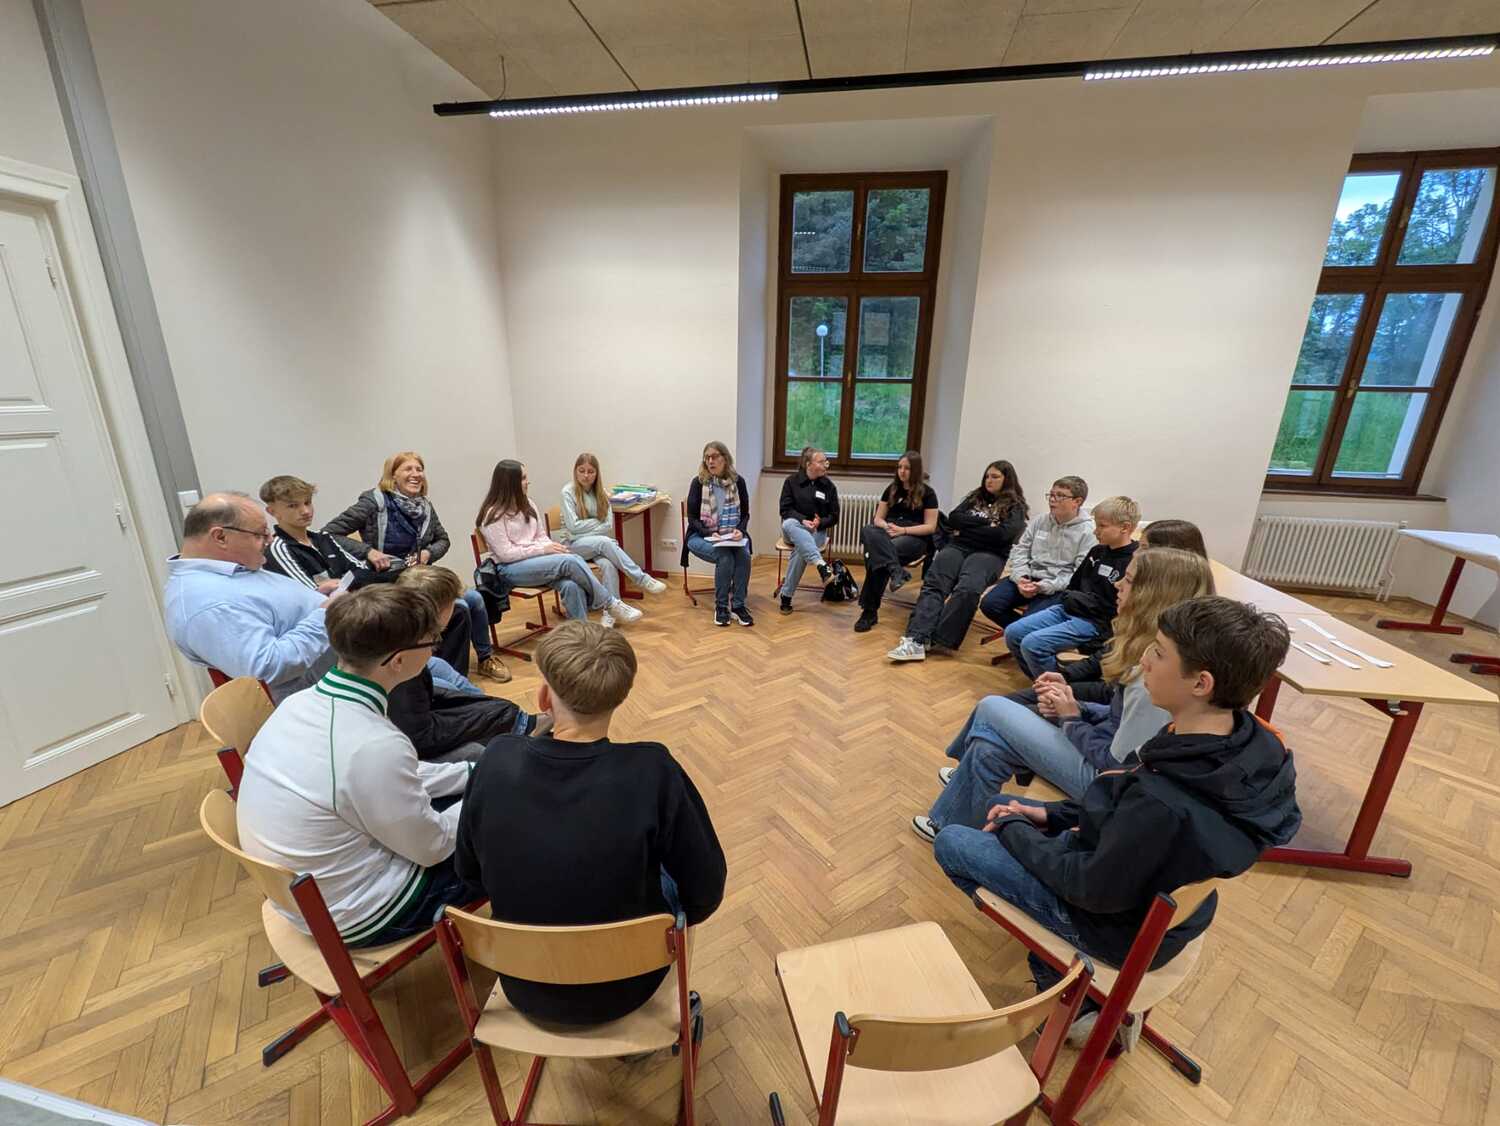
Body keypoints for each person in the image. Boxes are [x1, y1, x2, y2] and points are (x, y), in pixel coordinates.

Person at [931, 596, 1299, 1031]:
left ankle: (1075, 998)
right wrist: (1053, 816)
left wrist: (1014, 828)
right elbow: (1122, 796)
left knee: (953, 841)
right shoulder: (1248, 740)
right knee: (1005, 809)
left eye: (1158, 652)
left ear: (1201, 683)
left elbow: (1087, 887)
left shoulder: (1163, 800)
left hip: (1111, 926)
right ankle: (1060, 966)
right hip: (1156, 903)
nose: (1144, 660)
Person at [455, 620, 727, 1025]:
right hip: (632, 986)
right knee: (668, 871)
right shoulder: (653, 770)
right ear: (622, 695)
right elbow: (705, 891)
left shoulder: (496, 758)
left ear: (544, 697)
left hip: (523, 984)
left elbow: (469, 874)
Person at [913, 547, 1215, 841]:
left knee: (992, 707)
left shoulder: (1154, 674)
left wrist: (1071, 719)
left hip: (1103, 783)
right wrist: (1077, 708)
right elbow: (1120, 717)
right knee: (990, 746)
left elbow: (1115, 766)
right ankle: (952, 823)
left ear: (1153, 594)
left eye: (1129, 579)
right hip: (1101, 752)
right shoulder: (1155, 654)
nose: (1117, 584)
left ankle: (960, 776)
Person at [236, 586, 480, 947]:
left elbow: (393, 779)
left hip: (309, 895)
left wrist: (471, 773)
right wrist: (487, 794)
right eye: (432, 641)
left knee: (471, 798)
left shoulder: (300, 704)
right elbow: (432, 847)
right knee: (508, 829)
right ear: (398, 661)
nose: (434, 650)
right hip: (364, 914)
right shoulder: (374, 744)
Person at [325, 451, 510, 683]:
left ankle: (485, 658)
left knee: (475, 599)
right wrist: (368, 551)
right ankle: (448, 677)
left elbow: (443, 539)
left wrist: (428, 553)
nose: (415, 474)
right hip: (389, 582)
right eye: (408, 469)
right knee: (459, 607)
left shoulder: (424, 506)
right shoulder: (374, 502)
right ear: (393, 475)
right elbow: (329, 533)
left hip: (418, 577)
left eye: (419, 469)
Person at [1006, 518, 1212, 700]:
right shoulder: (1145, 610)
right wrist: (1066, 678)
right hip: (1099, 681)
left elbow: (1118, 698)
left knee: (1030, 650)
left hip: (1103, 698)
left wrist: (1071, 709)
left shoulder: (1175, 631)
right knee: (1015, 633)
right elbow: (1112, 651)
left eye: (1144, 548)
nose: (1136, 552)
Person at [164, 492, 335, 702]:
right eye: (260, 534)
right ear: (220, 537)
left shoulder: (229, 571)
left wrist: (315, 599)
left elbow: (270, 613)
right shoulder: (208, 603)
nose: (270, 540)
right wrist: (325, 615)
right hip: (319, 698)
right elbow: (266, 668)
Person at [388, 566, 543, 763]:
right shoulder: (408, 657)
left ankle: (519, 723)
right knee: (480, 741)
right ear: (436, 610)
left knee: (455, 681)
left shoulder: (408, 634)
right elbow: (421, 736)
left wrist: (491, 711)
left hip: (413, 716)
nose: (456, 605)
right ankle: (519, 730)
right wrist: (492, 717)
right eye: (452, 602)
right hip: (410, 743)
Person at [887, 460, 1027, 662]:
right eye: (987, 476)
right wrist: (988, 523)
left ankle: (937, 638)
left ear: (1007, 480)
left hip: (990, 554)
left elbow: (1003, 535)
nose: (989, 480)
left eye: (995, 477)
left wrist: (968, 529)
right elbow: (954, 518)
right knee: (934, 584)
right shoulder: (975, 497)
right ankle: (916, 639)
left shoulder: (1016, 507)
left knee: (968, 589)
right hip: (958, 547)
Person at [477, 459, 642, 627]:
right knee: (569, 561)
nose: (528, 482)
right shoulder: (492, 515)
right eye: (523, 478)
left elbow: (541, 536)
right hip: (509, 569)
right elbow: (506, 554)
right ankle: (610, 603)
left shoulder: (528, 503)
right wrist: (543, 550)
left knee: (571, 585)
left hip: (535, 561)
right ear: (510, 483)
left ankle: (581, 634)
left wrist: (553, 549)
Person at [1002, 496, 1140, 679]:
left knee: (1033, 644)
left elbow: (1119, 610)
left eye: (1102, 526)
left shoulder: (1135, 560)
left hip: (1094, 622)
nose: (1095, 531)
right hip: (1070, 608)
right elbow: (1074, 583)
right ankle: (1042, 681)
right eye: (1096, 525)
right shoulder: (1097, 551)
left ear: (1125, 527)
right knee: (1013, 633)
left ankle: (1061, 687)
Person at [978, 476, 1096, 630]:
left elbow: (1078, 574)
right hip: (1028, 577)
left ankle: (1026, 633)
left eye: (1060, 496)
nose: (1052, 500)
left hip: (1058, 585)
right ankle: (1025, 633)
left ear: (1077, 501)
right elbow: (1021, 550)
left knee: (1029, 622)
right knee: (990, 604)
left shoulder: (1088, 531)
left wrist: (1044, 586)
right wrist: (1021, 577)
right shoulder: (1040, 520)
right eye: (1051, 494)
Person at [557, 452, 668, 609]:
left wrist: (582, 528)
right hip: (570, 545)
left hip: (592, 544)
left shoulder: (601, 492)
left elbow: (608, 525)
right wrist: (597, 522)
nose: (586, 475)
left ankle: (612, 609)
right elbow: (573, 526)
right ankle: (641, 578)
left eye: (591, 471)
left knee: (608, 565)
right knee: (605, 542)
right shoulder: (567, 492)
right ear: (575, 471)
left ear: (597, 473)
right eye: (581, 471)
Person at [854, 450, 940, 633]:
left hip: (914, 537)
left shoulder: (928, 493)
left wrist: (903, 530)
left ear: (915, 470)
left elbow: (930, 527)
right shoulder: (892, 489)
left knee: (877, 559)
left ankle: (869, 612)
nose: (902, 471)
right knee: (868, 529)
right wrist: (887, 527)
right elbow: (877, 519)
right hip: (889, 532)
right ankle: (896, 570)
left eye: (907, 468)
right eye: (900, 467)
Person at [260, 475, 384, 595]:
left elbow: (362, 572)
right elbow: (310, 595)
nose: (305, 511)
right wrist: (344, 583)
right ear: (272, 511)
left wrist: (341, 584)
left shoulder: (323, 537)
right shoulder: (278, 549)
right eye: (293, 506)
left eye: (307, 503)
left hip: (354, 600)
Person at [683, 441, 754, 628]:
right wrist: (709, 532)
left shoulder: (738, 482)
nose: (710, 461)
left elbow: (745, 514)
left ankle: (738, 606)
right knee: (725, 557)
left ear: (725, 458)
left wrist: (741, 530)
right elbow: (692, 519)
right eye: (707, 457)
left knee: (744, 556)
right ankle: (721, 607)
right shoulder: (699, 483)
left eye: (714, 457)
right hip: (700, 536)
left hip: (730, 537)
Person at [778, 447, 840, 614]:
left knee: (802, 548)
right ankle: (821, 564)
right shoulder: (791, 481)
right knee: (789, 524)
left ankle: (786, 596)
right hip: (793, 528)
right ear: (808, 464)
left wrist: (820, 523)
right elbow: (785, 510)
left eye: (826, 461)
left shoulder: (829, 487)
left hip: (816, 532)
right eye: (821, 461)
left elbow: (834, 516)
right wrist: (802, 520)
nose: (826, 464)